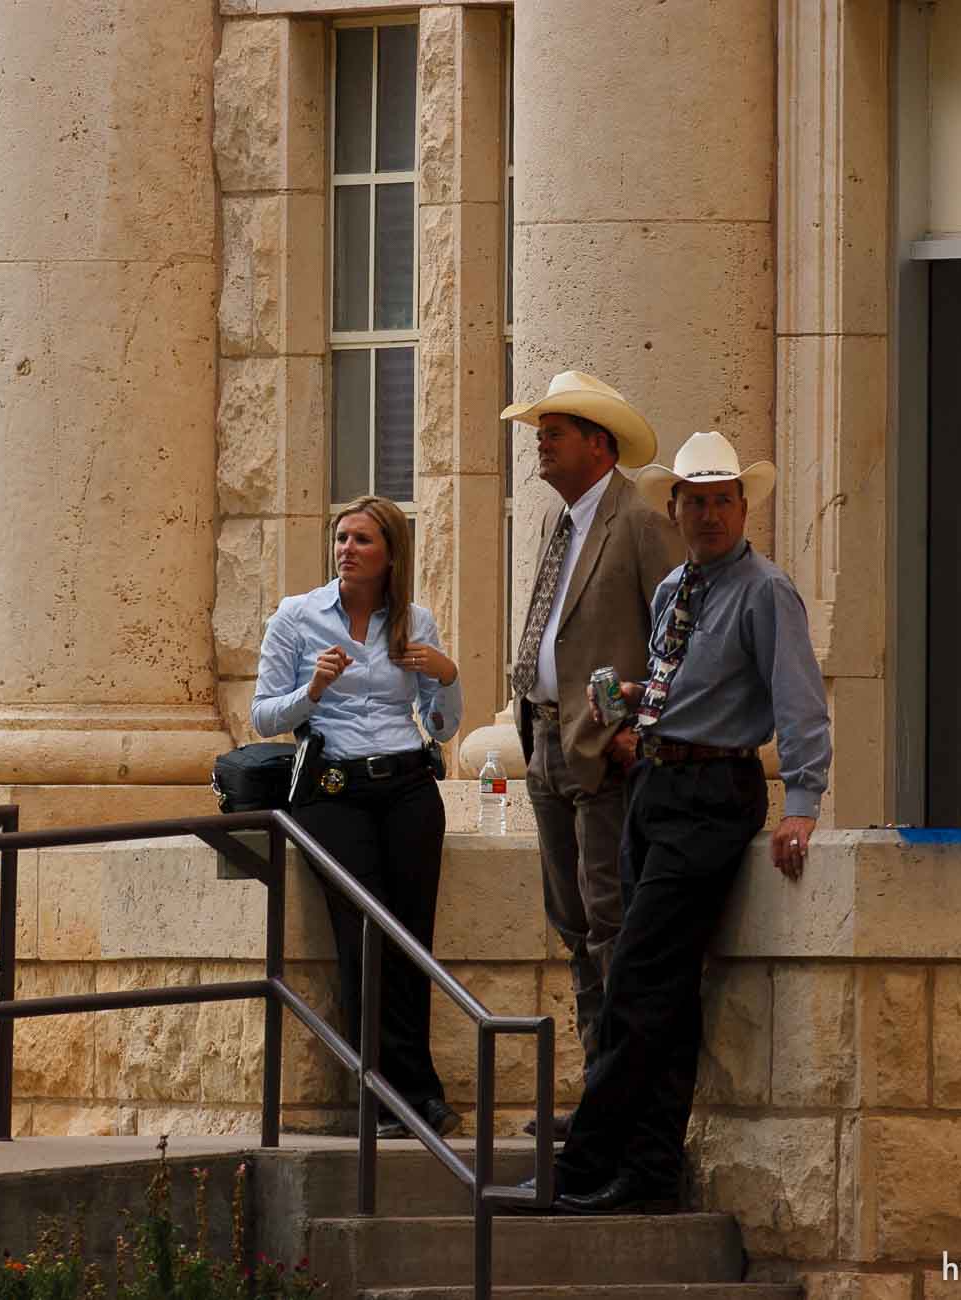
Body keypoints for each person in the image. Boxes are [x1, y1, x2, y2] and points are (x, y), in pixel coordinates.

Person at [526, 430, 831, 1214]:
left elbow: (799, 700)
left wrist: (803, 803)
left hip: (712, 793)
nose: (709, 516)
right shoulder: (676, 592)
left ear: (742, 506)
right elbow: (678, 681)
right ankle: (650, 1171)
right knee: (664, 993)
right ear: (676, 507)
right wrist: (628, 701)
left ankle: (584, 1164)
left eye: (722, 501)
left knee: (634, 980)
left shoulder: (766, 590)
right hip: (657, 786)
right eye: (695, 502)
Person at [499, 371, 681, 1139]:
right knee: (570, 923)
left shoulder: (636, 521)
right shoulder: (557, 521)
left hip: (606, 753)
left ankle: (615, 1099)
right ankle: (592, 1086)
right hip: (544, 741)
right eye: (540, 429)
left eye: (556, 430)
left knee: (609, 921)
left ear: (598, 445)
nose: (540, 441)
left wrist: (643, 727)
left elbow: (675, 635)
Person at [250, 495, 466, 1140]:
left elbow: (442, 727)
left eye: (363, 540)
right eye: (342, 538)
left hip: (405, 785)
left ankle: (418, 1091)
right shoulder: (298, 617)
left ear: (390, 552)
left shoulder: (413, 621)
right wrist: (311, 690)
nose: (348, 549)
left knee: (410, 939)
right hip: (331, 787)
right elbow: (263, 716)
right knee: (363, 936)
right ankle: (385, 1094)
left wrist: (447, 677)